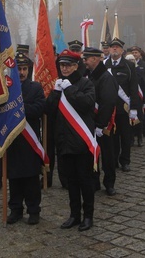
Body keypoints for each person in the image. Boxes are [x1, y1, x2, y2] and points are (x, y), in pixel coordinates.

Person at [45, 49, 96, 231]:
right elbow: (49, 111)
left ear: (76, 66)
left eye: (68, 65)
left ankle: (88, 216)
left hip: (81, 142)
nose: (64, 68)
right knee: (71, 182)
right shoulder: (58, 85)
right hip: (64, 142)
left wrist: (69, 89)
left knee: (85, 180)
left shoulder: (86, 84)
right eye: (62, 65)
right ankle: (74, 215)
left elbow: (87, 104)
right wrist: (56, 92)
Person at [6, 52, 45, 225]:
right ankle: (15, 210)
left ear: (29, 69)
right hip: (12, 140)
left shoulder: (36, 87)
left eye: (24, 69)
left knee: (31, 179)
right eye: (18, 69)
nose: (21, 72)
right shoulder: (7, 89)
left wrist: (18, 108)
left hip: (30, 141)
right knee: (14, 178)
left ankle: (34, 210)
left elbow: (39, 109)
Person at [83, 47, 118, 195]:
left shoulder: (106, 77)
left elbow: (108, 102)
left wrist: (101, 124)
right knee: (92, 153)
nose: (84, 61)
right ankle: (94, 181)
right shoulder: (88, 75)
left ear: (95, 59)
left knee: (107, 154)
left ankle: (109, 183)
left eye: (87, 58)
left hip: (103, 124)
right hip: (91, 122)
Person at [104, 38, 139, 172]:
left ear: (122, 50)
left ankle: (125, 160)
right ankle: (113, 160)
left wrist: (134, 108)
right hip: (109, 108)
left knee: (125, 136)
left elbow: (133, 88)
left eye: (117, 47)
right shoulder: (104, 64)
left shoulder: (129, 66)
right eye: (112, 47)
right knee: (111, 137)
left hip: (124, 108)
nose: (114, 49)